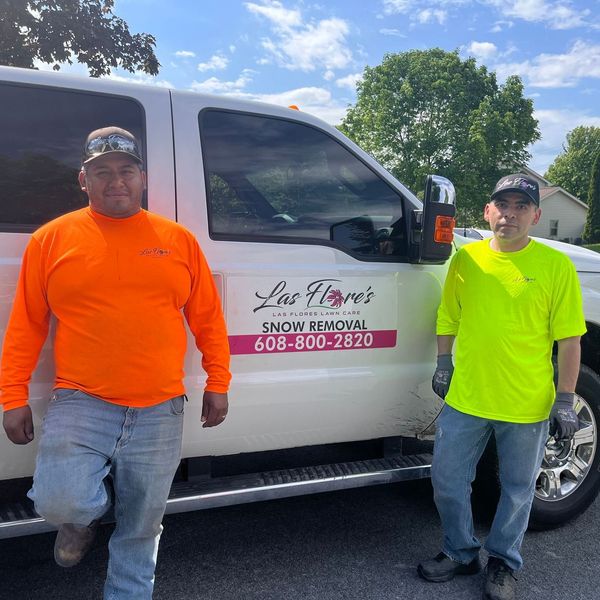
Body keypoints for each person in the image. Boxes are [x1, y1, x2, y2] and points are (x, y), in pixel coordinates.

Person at [1, 127, 231, 599]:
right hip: (81, 400)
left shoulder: (177, 240)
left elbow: (208, 318)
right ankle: (78, 524)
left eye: (126, 171)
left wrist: (218, 380)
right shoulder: (51, 240)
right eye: (102, 172)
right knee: (56, 500)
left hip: (161, 407)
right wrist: (11, 394)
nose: (116, 181)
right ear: (83, 180)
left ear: (142, 177)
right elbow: (26, 325)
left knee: (142, 526)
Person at [417, 173, 585, 600]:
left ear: (536, 215)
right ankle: (460, 551)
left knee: (517, 489)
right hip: (467, 396)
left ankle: (504, 562)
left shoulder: (556, 266)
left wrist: (565, 399)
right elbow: (448, 316)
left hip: (526, 403)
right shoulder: (466, 260)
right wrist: (442, 363)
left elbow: (569, 338)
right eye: (502, 206)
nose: (510, 214)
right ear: (488, 211)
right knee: (447, 480)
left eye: (521, 207)